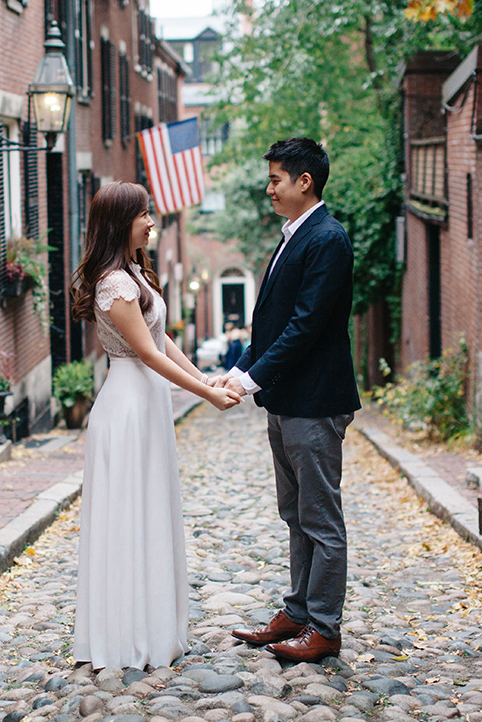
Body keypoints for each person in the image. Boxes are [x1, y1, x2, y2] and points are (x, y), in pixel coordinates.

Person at [70, 181, 242, 670]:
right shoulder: (114, 282)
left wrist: (202, 377)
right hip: (126, 407)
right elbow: (144, 352)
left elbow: (163, 342)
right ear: (120, 222)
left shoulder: (134, 274)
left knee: (149, 509)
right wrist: (205, 394)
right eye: (144, 214)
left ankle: (152, 625)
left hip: (147, 404)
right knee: (127, 515)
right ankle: (125, 637)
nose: (152, 222)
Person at [211, 137, 361, 663]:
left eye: (276, 179)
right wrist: (237, 372)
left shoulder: (328, 239)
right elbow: (271, 326)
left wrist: (248, 382)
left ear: (305, 182)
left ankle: (324, 627)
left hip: (315, 401)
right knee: (296, 513)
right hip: (288, 401)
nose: (269, 187)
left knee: (321, 519)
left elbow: (304, 328)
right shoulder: (294, 235)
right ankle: (297, 613)